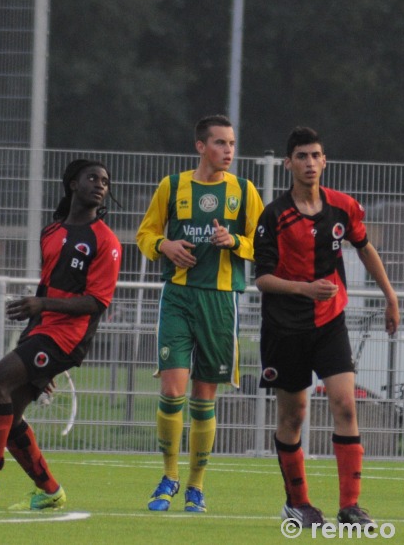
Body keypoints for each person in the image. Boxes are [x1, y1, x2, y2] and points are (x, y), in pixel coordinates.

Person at [253, 126, 399, 529]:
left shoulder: (342, 207)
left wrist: (390, 296)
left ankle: (351, 506)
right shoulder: (274, 215)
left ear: (325, 161)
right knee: (294, 416)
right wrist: (303, 288)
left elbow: (365, 247)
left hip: (330, 322)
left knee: (345, 404)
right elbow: (261, 278)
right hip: (284, 328)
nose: (310, 163)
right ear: (288, 163)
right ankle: (297, 503)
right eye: (302, 156)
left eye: (316, 155)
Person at [0, 159, 121, 510]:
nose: (100, 185)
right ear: (72, 184)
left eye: (105, 181)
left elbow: (97, 302)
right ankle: (50, 491)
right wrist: (32, 336)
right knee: (11, 417)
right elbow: (48, 285)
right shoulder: (51, 232)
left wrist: (41, 308)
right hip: (43, 331)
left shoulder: (106, 240)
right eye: (92, 178)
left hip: (69, 337)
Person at [135, 114, 263, 513]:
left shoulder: (244, 191)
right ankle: (169, 476)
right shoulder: (172, 186)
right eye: (221, 143)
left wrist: (236, 241)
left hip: (221, 301)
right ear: (200, 147)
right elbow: (145, 234)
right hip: (178, 296)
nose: (228, 151)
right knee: (172, 390)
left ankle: (195, 485)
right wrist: (165, 247)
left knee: (204, 397)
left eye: (232, 144)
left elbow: (264, 245)